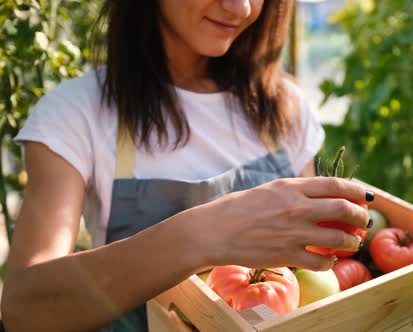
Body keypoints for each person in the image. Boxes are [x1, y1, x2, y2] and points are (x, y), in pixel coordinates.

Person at [0, 1, 373, 331]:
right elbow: (23, 309)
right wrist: (205, 235)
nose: (241, 8)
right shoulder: (77, 112)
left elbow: (303, 279)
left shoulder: (283, 104)